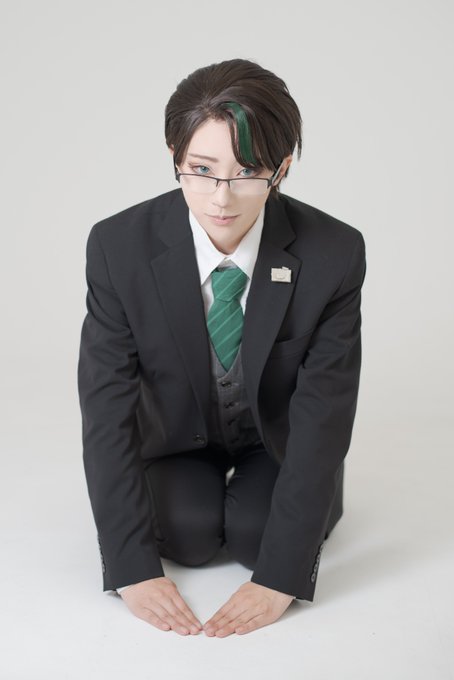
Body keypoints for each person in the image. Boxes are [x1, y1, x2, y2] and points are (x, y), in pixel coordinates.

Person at [77, 58, 367, 638]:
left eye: (248, 171)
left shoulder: (335, 253)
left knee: (259, 540)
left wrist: (281, 577)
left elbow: (325, 415)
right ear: (174, 156)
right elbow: (106, 410)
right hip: (175, 436)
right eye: (202, 170)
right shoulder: (117, 247)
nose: (221, 197)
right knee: (187, 534)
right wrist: (132, 570)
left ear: (281, 170)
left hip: (274, 439)